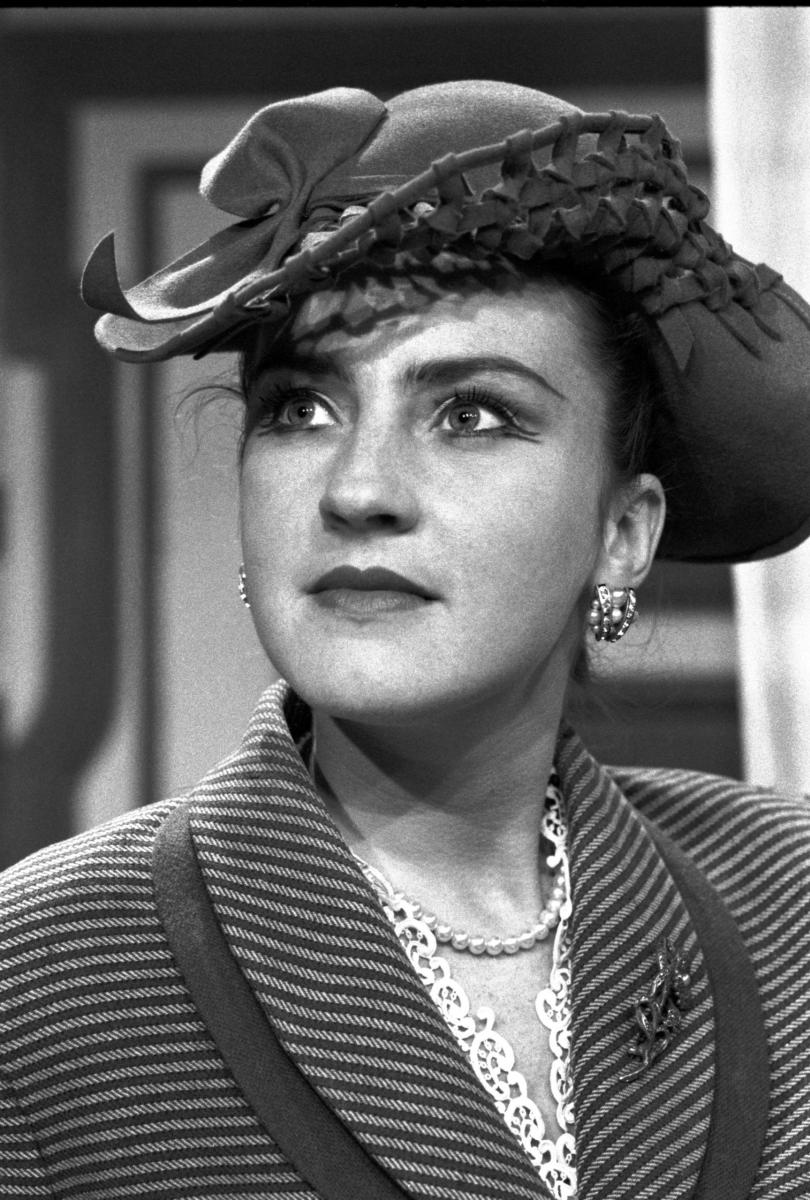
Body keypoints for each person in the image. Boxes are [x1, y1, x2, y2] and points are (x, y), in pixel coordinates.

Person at [2, 80, 810, 1200]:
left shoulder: (787, 893)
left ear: (623, 535)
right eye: (300, 410)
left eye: (471, 413)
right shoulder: (42, 980)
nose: (358, 489)